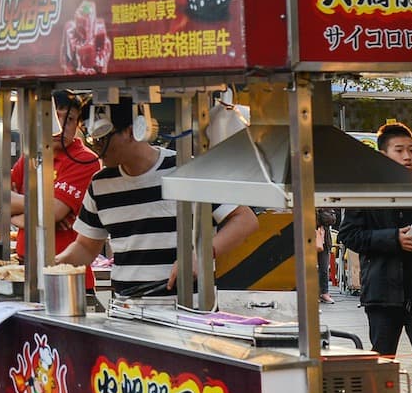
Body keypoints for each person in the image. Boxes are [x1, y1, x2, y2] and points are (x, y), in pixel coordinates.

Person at [53, 100, 260, 296]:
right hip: (127, 310)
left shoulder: (188, 169)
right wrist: (50, 268)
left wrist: (201, 256)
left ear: (133, 129)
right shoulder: (100, 183)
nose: (97, 147)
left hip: (186, 310)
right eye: (92, 139)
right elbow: (86, 247)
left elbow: (244, 220)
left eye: (102, 139)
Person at [339, 122, 412, 375]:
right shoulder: (364, 189)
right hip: (382, 293)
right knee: (382, 361)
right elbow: (349, 235)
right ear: (383, 155)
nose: (408, 156)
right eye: (399, 150)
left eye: (411, 150)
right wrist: (393, 238)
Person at [0, 91, 104, 274]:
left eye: (69, 119)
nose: (59, 126)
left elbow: (53, 212)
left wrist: (15, 213)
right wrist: (38, 210)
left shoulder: (85, 160)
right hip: (24, 268)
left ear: (78, 125)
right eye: (54, 117)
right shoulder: (30, 156)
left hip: (66, 274)